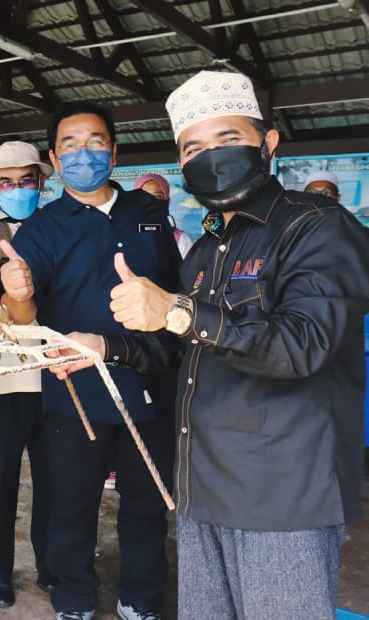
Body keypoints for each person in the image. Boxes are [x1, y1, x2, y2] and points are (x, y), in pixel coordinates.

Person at [108, 69, 369, 619]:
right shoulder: (205, 251)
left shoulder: (316, 227)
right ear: (182, 165)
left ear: (268, 144)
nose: (211, 156)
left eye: (228, 139)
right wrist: (105, 348)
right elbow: (186, 350)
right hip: (202, 489)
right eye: (194, 147)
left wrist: (178, 311)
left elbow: (303, 346)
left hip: (280, 498)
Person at [0, 103, 181, 620]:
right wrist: (17, 294)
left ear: (114, 151)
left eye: (95, 141)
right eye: (71, 145)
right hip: (75, 390)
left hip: (150, 386)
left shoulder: (149, 215)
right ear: (55, 160)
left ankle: (140, 597)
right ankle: (74, 599)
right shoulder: (39, 229)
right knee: (71, 506)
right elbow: (23, 318)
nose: (84, 153)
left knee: (146, 505)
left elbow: (175, 296)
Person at [0, 140, 51, 609]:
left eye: (26, 180)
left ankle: (51, 564)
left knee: (55, 482)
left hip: (53, 375)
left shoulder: (59, 223)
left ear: (41, 181)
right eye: (6, 182)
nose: (17, 188)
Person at [133, 173, 194, 258]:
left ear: (167, 202)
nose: (151, 201)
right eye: (143, 196)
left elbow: (189, 270)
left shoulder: (181, 239)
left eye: (158, 196)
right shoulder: (124, 236)